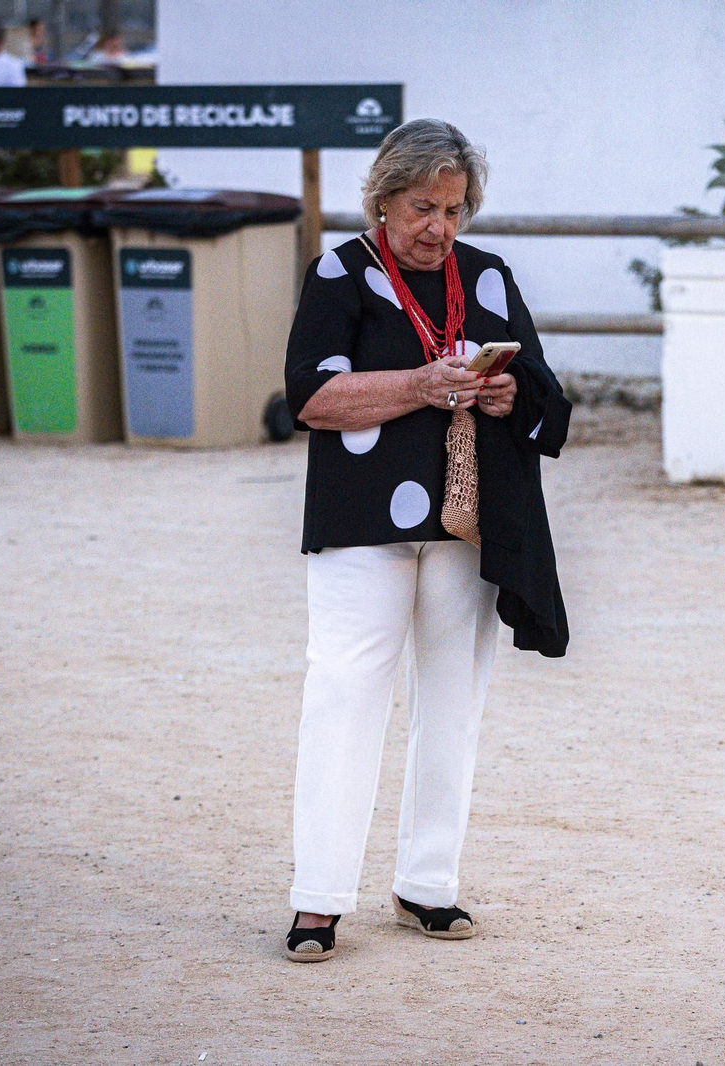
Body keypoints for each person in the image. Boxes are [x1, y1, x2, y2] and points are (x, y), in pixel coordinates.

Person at [280, 119, 572, 963]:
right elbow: (310, 397)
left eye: (453, 208)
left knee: (453, 703)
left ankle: (427, 884)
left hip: (465, 522)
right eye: (421, 206)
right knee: (344, 696)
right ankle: (318, 899)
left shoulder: (485, 277)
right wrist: (418, 385)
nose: (438, 226)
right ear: (383, 197)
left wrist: (507, 392)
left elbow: (546, 394)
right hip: (359, 523)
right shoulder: (339, 272)